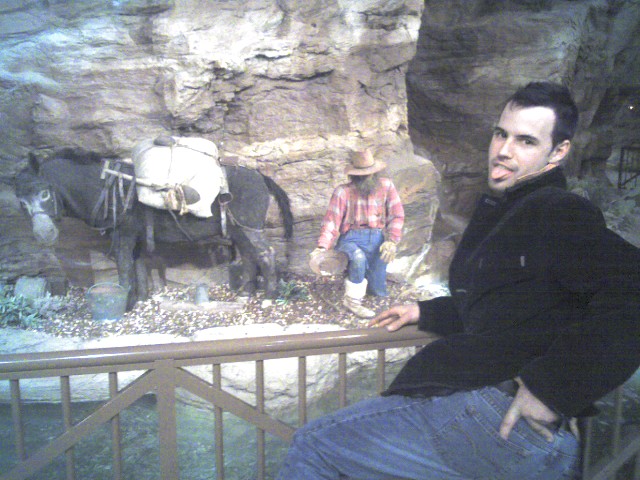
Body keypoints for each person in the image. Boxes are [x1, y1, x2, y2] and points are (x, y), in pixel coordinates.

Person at [278, 82, 640, 479]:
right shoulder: (516, 208)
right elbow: (508, 305)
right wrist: (428, 312)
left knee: (314, 446)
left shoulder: (557, 209)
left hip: (498, 419)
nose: (504, 150)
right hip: (523, 434)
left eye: (526, 141)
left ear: (558, 152)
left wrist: (552, 389)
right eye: (501, 134)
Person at [311, 149, 405, 318]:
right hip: (351, 238)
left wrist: (392, 240)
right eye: (361, 175)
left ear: (375, 173)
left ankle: (370, 289)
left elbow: (397, 215)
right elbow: (331, 221)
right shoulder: (343, 192)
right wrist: (322, 246)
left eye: (368, 174)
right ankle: (352, 301)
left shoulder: (386, 186)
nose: (365, 178)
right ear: (353, 175)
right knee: (358, 258)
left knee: (378, 290)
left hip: (377, 238)